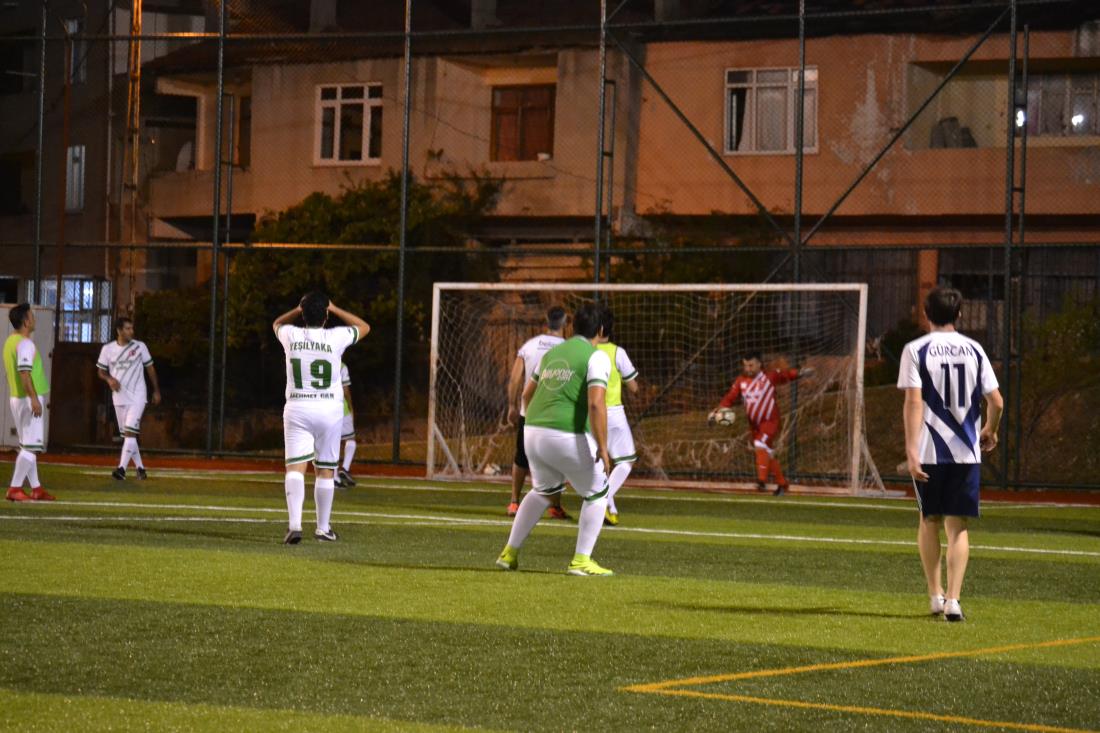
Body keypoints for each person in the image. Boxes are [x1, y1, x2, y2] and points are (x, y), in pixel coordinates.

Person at [898, 286, 1002, 622]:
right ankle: (954, 601)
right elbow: (997, 401)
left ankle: (935, 595)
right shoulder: (974, 349)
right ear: (959, 314)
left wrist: (911, 450)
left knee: (928, 520)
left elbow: (913, 402)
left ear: (926, 314)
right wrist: (991, 430)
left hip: (930, 450)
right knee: (957, 526)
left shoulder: (915, 349)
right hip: (966, 453)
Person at [495, 302, 614, 576]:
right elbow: (596, 403)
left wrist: (535, 423)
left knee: (543, 491)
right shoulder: (596, 357)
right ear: (600, 330)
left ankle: (509, 552)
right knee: (598, 491)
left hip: (532, 431)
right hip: (564, 434)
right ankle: (581, 560)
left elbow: (526, 394)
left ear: (572, 327)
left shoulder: (553, 353)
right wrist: (603, 448)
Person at [273, 293, 369, 544]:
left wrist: (297, 309)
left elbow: (276, 323)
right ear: (326, 315)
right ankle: (323, 528)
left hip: (298, 408)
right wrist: (335, 308)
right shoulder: (335, 337)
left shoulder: (291, 334)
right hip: (328, 410)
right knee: (325, 469)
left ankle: (294, 525)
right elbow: (364, 327)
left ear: (303, 315)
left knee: (295, 468)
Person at [709, 351, 813, 496]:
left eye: (751, 365)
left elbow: (786, 375)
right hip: (755, 425)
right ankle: (782, 485)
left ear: (759, 364)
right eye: (745, 365)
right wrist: (716, 412)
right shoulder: (741, 381)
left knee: (760, 445)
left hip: (770, 421)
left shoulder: (769, 377)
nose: (748, 369)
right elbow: (729, 398)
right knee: (767, 454)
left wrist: (800, 372)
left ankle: (761, 482)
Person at [505, 305, 570, 520]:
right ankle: (555, 506)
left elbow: (515, 378)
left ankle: (514, 502)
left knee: (521, 458)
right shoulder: (567, 348)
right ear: (565, 323)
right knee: (557, 460)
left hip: (529, 413)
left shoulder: (530, 346)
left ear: (546, 321)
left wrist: (512, 406)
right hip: (556, 415)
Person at [96, 316, 161, 480]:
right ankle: (140, 469)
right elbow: (101, 372)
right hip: (119, 397)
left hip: (138, 396)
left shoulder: (140, 347)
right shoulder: (108, 349)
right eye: (127, 328)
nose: (131, 331)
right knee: (128, 436)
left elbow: (150, 369)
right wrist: (109, 379)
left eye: (132, 328)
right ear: (119, 331)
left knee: (130, 432)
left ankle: (121, 470)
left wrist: (156, 390)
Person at [4, 304, 54, 502]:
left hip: (17, 398)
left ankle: (36, 489)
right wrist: (33, 398)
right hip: (28, 398)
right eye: (32, 316)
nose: (34, 319)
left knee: (27, 445)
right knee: (31, 447)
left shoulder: (10, 341)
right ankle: (15, 488)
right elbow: (24, 373)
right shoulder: (25, 343)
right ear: (25, 321)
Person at [596, 309, 639, 526]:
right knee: (625, 461)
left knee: (599, 463)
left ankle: (610, 509)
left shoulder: (586, 351)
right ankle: (603, 499)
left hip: (588, 414)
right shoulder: (617, 352)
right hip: (612, 412)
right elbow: (633, 386)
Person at [335, 362, 357, 489]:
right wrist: (350, 406)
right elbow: (346, 391)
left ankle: (334, 476)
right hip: (340, 408)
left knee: (330, 443)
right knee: (350, 438)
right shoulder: (341, 366)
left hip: (321, 407)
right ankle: (344, 469)